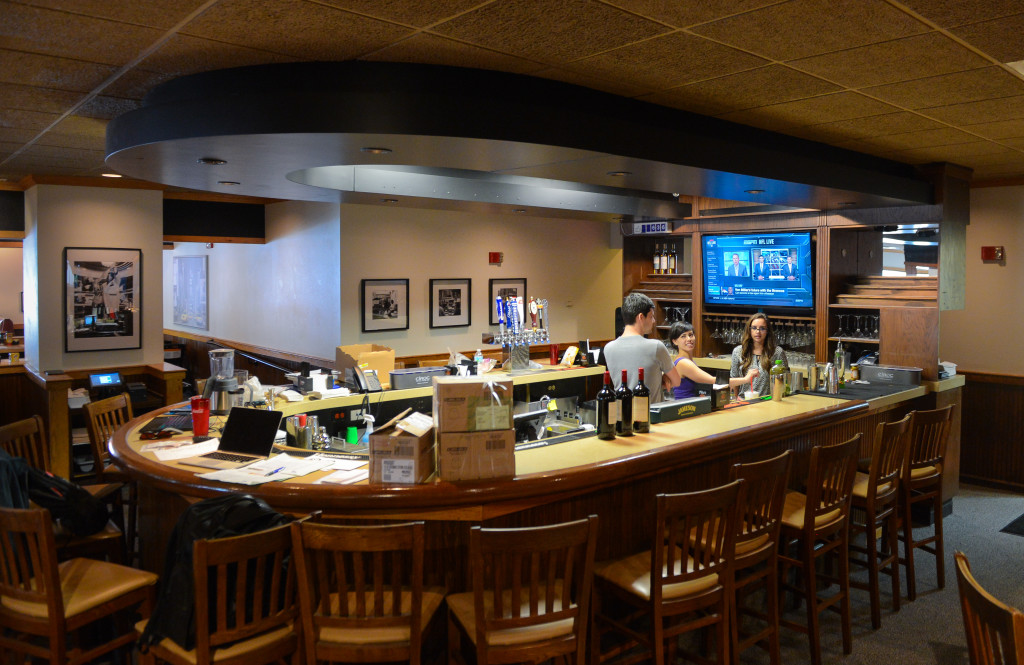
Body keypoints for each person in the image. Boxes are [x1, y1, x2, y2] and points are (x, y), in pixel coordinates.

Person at [603, 293, 679, 403]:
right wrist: (663, 377)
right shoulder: (656, 346)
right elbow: (676, 381)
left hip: (623, 414)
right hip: (651, 415)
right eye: (651, 316)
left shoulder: (608, 348)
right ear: (641, 317)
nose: (653, 321)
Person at [667, 322, 758, 399]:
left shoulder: (687, 360)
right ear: (675, 341)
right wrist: (746, 379)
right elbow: (713, 380)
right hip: (685, 410)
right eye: (683, 336)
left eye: (691, 335)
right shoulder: (683, 363)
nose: (689, 339)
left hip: (691, 407)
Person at [730, 312, 788, 396]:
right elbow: (734, 380)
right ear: (749, 330)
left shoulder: (777, 352)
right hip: (744, 402)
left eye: (762, 328)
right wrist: (735, 402)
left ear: (767, 331)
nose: (758, 332)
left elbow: (784, 381)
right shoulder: (738, 351)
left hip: (767, 402)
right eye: (754, 328)